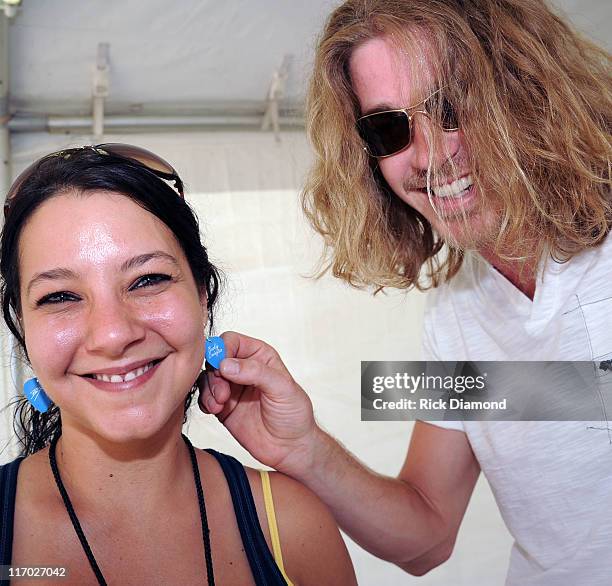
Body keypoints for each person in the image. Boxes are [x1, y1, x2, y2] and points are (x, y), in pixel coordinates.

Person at [198, 1, 612, 585]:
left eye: (448, 106)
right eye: (390, 129)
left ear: (525, 88)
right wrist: (304, 449)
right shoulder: (455, 312)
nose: (428, 155)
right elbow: (427, 537)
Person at [0, 144, 357, 586]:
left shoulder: (293, 526)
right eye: (60, 297)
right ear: (22, 326)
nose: (113, 334)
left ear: (203, 295)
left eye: (147, 280)